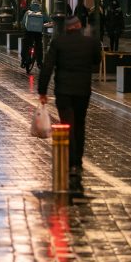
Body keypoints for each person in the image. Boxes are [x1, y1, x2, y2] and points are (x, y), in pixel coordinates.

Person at [37, 16, 102, 186]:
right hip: (83, 91)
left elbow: (47, 67)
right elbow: (97, 61)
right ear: (79, 26)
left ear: (67, 28)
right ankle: (77, 163)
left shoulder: (58, 42)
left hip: (64, 92)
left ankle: (71, 162)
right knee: (80, 125)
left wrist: (42, 91)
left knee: (68, 125)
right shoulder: (90, 42)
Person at [21, 1, 49, 73]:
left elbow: (23, 23)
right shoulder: (41, 13)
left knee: (25, 44)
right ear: (39, 7)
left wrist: (24, 28)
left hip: (28, 33)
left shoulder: (27, 13)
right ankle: (39, 63)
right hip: (37, 33)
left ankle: (23, 60)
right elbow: (48, 20)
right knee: (39, 45)